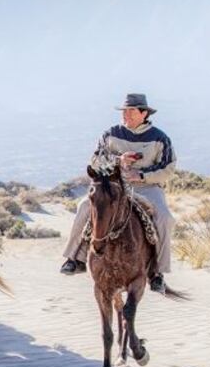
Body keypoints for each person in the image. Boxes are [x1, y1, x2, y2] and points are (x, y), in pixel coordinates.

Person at [61, 93, 176, 293]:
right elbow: (95, 161)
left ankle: (158, 271)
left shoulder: (160, 138)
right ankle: (75, 258)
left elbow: (168, 168)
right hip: (114, 186)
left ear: (144, 113)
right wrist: (118, 160)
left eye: (131, 111)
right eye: (124, 111)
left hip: (147, 188)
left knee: (165, 218)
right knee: (84, 207)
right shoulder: (110, 134)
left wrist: (141, 175)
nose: (126, 115)